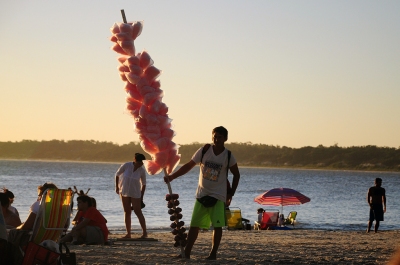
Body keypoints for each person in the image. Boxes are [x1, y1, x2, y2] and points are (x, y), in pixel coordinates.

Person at [164, 126, 240, 260]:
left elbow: (236, 175)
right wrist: (172, 176)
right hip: (201, 194)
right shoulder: (204, 151)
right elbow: (188, 165)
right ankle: (186, 253)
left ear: (225, 139)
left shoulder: (228, 156)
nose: (216, 139)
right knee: (194, 225)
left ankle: (213, 254)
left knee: (217, 226)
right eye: (215, 136)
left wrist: (230, 194)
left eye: (220, 137)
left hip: (218, 196)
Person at [7, 182, 58, 265]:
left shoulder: (39, 205)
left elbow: (27, 226)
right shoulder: (62, 207)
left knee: (12, 233)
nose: (38, 197)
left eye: (39, 195)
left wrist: (16, 229)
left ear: (43, 194)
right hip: (52, 238)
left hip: (35, 238)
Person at [115, 152, 148, 238]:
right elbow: (117, 174)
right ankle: (128, 233)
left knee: (138, 211)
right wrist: (117, 187)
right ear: (135, 160)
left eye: (142, 163)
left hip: (135, 193)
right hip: (124, 191)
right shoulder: (127, 165)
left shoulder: (142, 170)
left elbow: (144, 184)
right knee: (127, 212)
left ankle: (144, 232)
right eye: (139, 163)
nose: (140, 165)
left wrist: (142, 196)